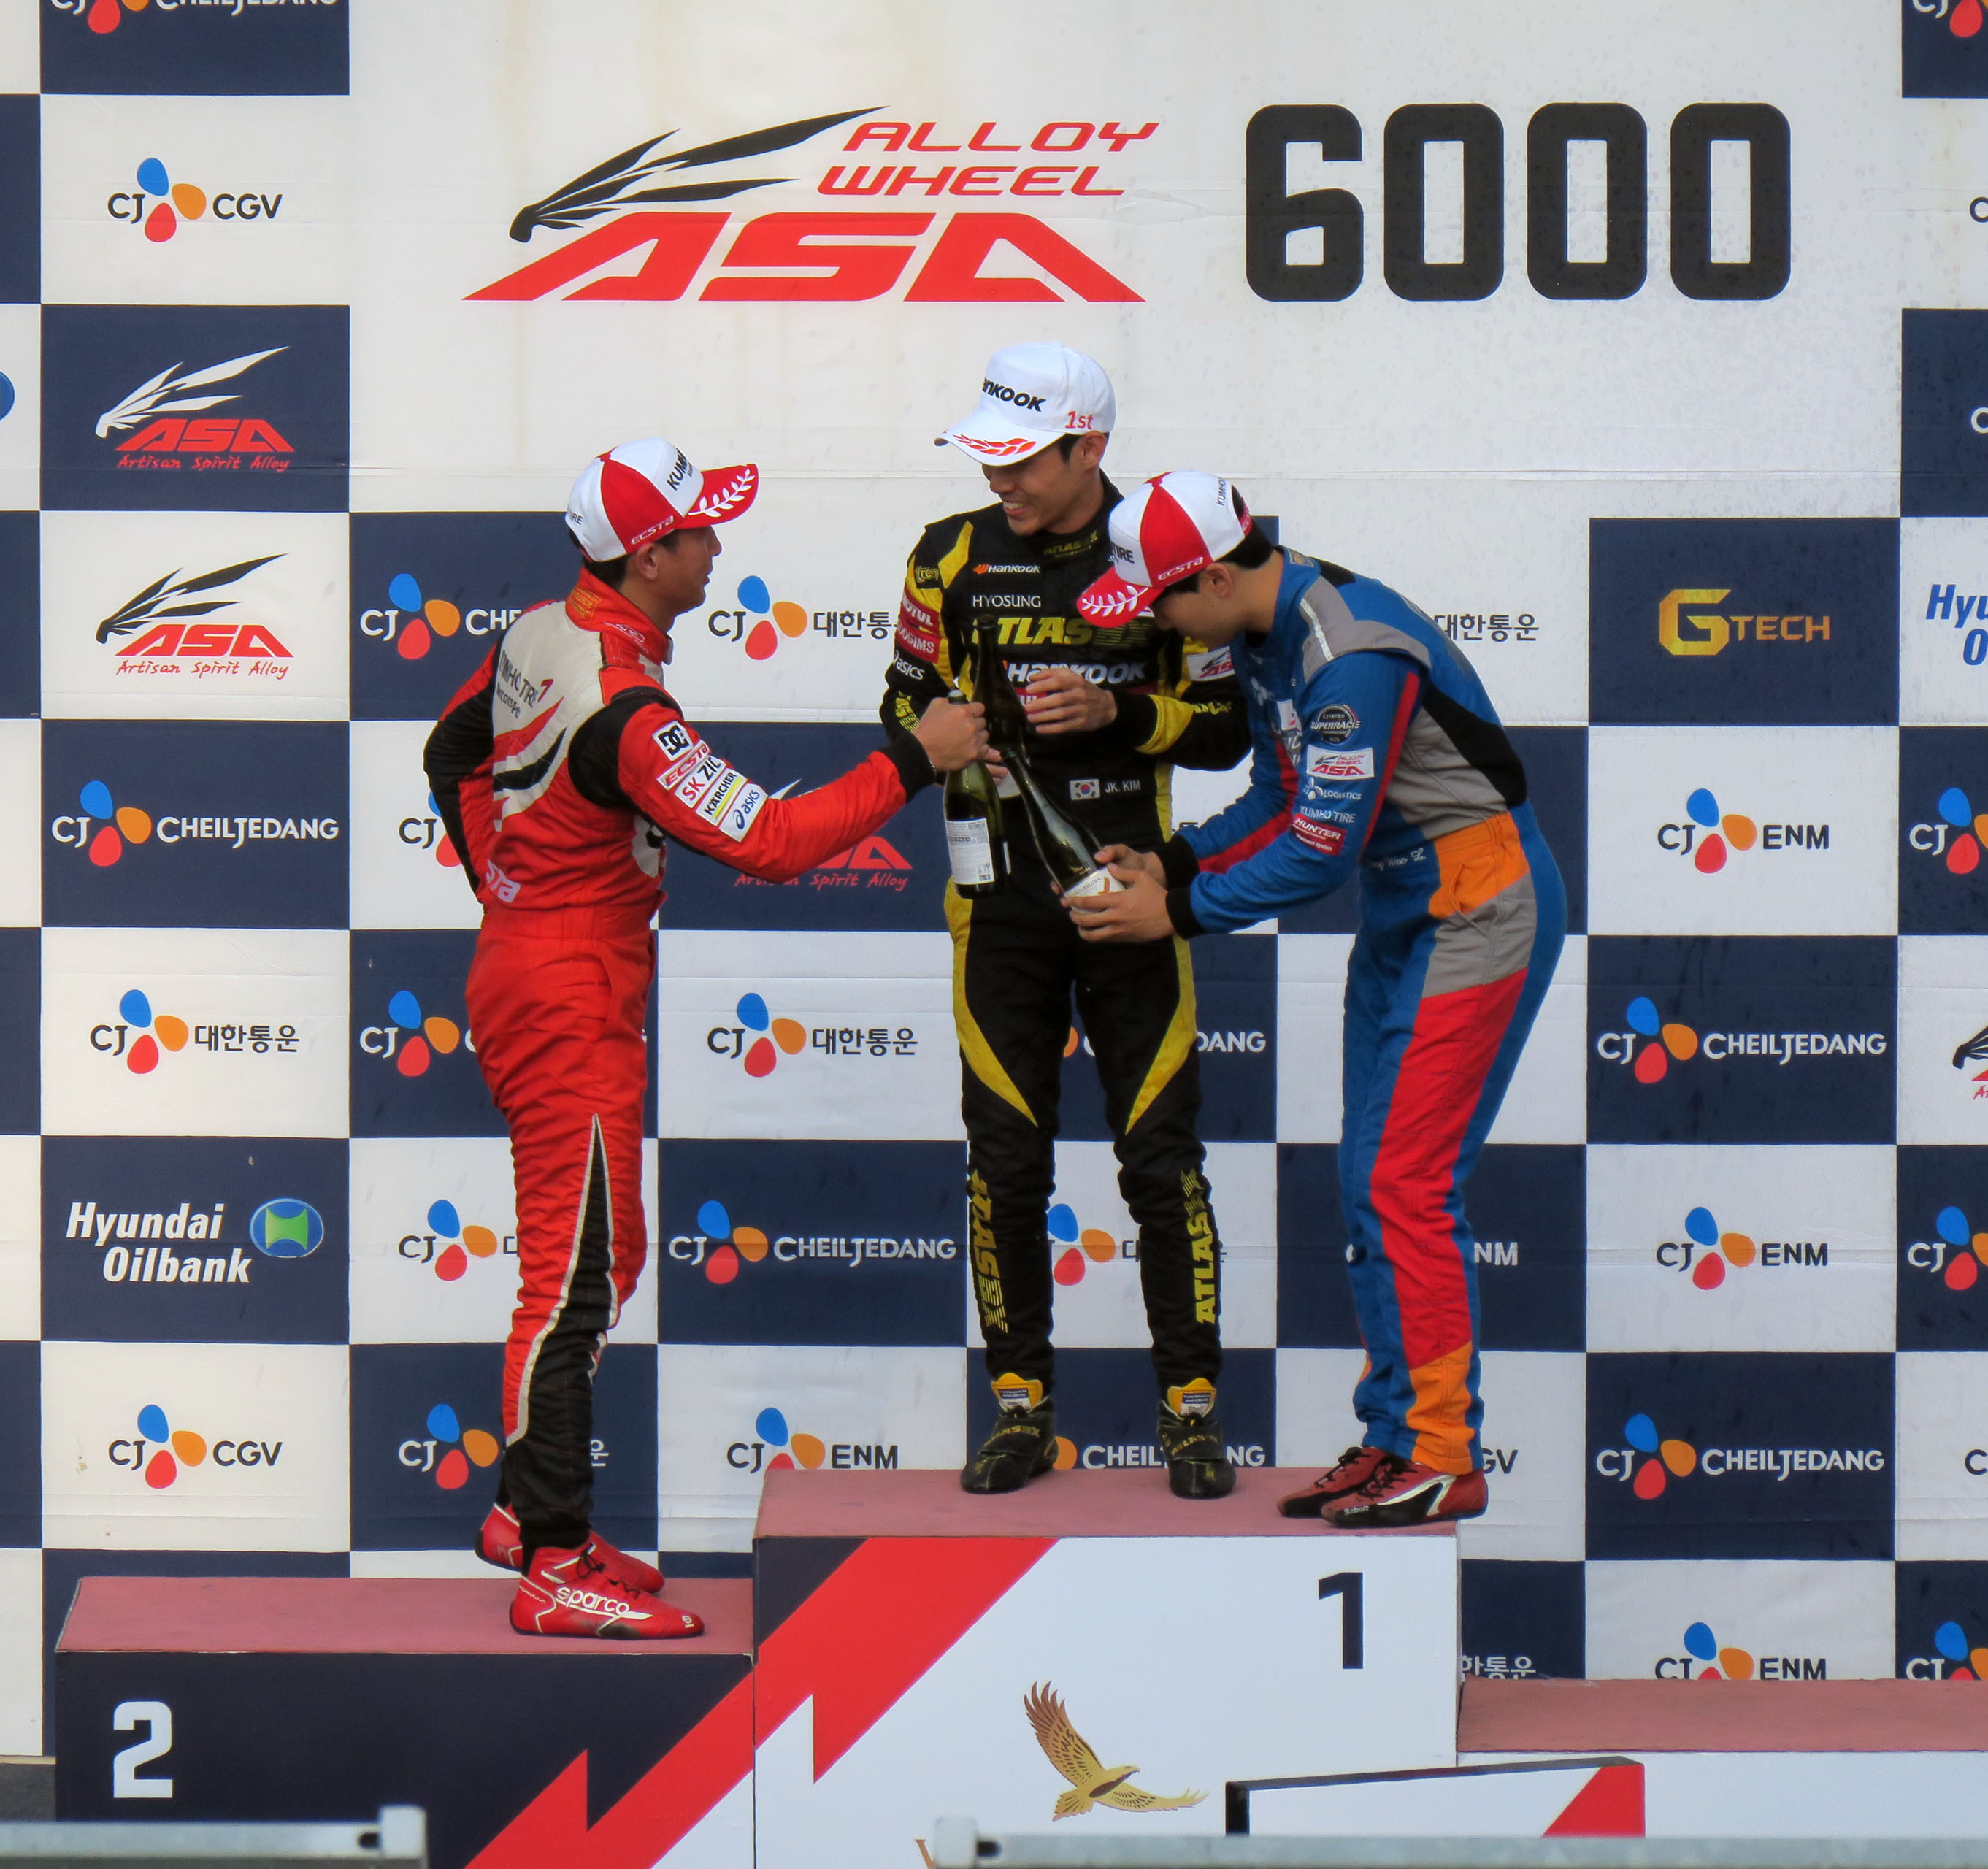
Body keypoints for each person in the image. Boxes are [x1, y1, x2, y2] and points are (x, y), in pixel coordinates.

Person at [426, 439, 993, 1636]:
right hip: (565, 987)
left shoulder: (543, 631)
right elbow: (772, 845)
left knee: (608, 1254)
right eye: (698, 531)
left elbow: (450, 751)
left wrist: (507, 889)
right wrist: (913, 757)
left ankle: (525, 1515)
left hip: (549, 963)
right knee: (570, 1283)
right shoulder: (626, 710)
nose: (717, 545)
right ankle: (553, 1566)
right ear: (648, 558)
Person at [1066, 472, 1567, 1529]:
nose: (1157, 626)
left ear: (1213, 577)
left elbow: (1318, 847)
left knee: (1404, 1183)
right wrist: (1172, 861)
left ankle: (1443, 1454)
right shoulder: (1264, 635)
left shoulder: (1349, 654)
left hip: (1479, 908)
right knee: (1368, 1183)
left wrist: (1177, 914)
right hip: (1405, 912)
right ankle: (1395, 1436)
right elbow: (1277, 794)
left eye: (1160, 604)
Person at [881, 344, 1251, 1499]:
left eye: (1022, 460)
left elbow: (1227, 729)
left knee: (1160, 1159)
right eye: (986, 457)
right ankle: (1021, 1411)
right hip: (996, 899)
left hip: (1129, 895)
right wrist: (951, 735)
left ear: (1088, 449)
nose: (999, 481)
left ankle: (1191, 1415)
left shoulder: (1160, 553)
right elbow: (901, 700)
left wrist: (1116, 710)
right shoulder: (946, 555)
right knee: (1004, 1165)